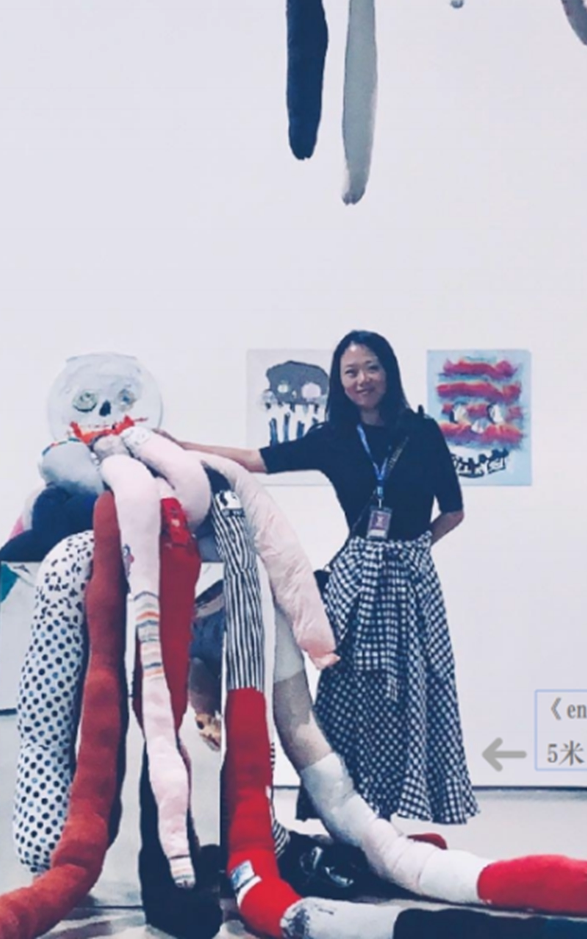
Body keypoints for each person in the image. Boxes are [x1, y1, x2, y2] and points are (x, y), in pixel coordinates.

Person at [182, 330, 478, 825]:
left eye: (371, 367)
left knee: (414, 687)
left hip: (411, 582)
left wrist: (413, 550)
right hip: (354, 580)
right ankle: (352, 813)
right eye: (351, 372)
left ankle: (393, 814)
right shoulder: (334, 437)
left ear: (389, 371)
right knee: (350, 690)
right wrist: (181, 447)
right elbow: (257, 461)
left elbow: (454, 510)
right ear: (339, 382)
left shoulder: (422, 432)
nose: (362, 380)